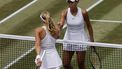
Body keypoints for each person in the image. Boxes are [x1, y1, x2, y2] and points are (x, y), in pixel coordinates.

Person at [58, 0, 94, 69]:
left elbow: (89, 26)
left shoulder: (83, 13)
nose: (70, 4)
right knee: (65, 64)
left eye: (71, 2)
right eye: (69, 2)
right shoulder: (65, 12)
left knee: (80, 64)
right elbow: (61, 23)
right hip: (69, 40)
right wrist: (59, 25)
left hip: (80, 40)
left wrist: (92, 39)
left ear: (77, 2)